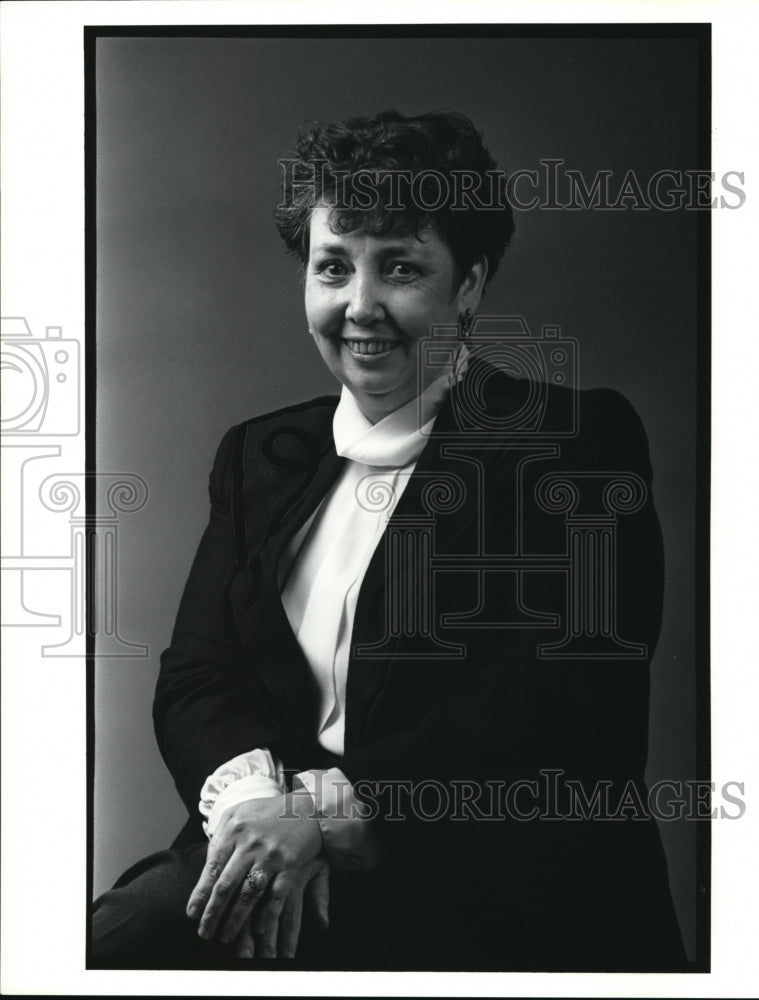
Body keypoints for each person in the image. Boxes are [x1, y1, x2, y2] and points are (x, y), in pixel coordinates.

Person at [91, 109, 687, 971]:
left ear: (470, 286)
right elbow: (197, 674)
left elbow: (566, 706)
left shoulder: (572, 442)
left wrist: (328, 817)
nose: (359, 306)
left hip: (483, 882)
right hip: (278, 862)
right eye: (333, 267)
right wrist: (262, 807)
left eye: (400, 268)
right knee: (103, 946)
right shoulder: (260, 453)